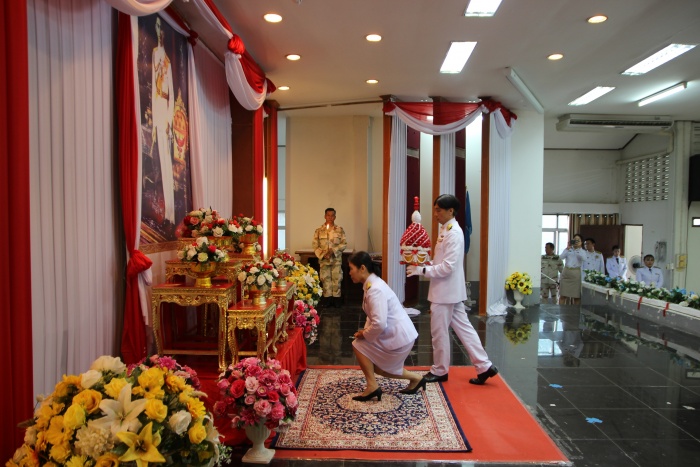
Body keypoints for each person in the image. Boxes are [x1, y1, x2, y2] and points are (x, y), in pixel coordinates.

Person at [406, 194, 498, 385]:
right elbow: (441, 260)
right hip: (449, 291)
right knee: (465, 330)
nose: (435, 214)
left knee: (439, 332)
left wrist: (422, 270)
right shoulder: (446, 229)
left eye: (439, 210)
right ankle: (484, 366)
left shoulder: (453, 232)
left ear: (451, 211)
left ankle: (440, 370)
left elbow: (448, 267)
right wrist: (426, 263)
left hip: (445, 293)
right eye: (435, 210)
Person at [349, 251, 425, 401]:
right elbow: (372, 316)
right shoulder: (371, 284)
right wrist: (365, 331)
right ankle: (417, 379)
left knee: (358, 345)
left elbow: (379, 323)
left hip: (400, 337)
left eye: (351, 268)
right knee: (378, 367)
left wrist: (365, 334)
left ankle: (372, 386)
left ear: (362, 268)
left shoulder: (375, 289)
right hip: (397, 334)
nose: (350, 273)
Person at [151, 17, 176, 226]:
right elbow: (153, 86)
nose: (159, 32)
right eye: (158, 27)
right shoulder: (155, 54)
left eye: (161, 29)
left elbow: (172, 95)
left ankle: (170, 213)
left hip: (166, 110)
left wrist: (169, 118)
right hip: (157, 106)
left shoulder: (167, 60)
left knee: (167, 160)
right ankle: (161, 210)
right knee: (159, 158)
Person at [312, 208, 347, 307]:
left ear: (335, 217)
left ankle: (337, 300)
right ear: (325, 216)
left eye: (332, 216)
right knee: (325, 279)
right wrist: (323, 254)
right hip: (324, 260)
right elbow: (315, 245)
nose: (330, 218)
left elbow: (344, 244)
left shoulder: (339, 230)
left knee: (337, 279)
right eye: (328, 215)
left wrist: (333, 250)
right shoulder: (319, 230)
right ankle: (327, 300)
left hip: (336, 260)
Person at [559, 234, 586, 304]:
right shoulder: (568, 249)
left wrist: (577, 249)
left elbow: (583, 258)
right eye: (575, 240)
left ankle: (576, 310)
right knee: (562, 295)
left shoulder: (583, 251)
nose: (576, 242)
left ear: (581, 242)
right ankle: (560, 309)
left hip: (575, 274)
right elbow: (561, 257)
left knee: (576, 296)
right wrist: (567, 248)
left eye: (578, 240)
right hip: (566, 272)